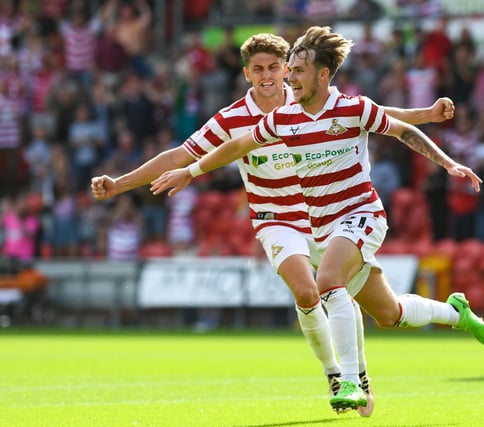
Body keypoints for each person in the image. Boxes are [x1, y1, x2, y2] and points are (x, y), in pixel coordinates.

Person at [91, 32, 460, 417]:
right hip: (276, 220)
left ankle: (365, 369)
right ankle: (339, 374)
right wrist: (120, 183)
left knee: (380, 310)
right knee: (308, 291)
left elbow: (370, 112)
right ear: (246, 74)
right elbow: (179, 154)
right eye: (257, 69)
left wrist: (427, 115)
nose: (267, 75)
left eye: (274, 68)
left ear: (286, 70)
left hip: (326, 215)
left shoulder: (307, 99)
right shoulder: (232, 119)